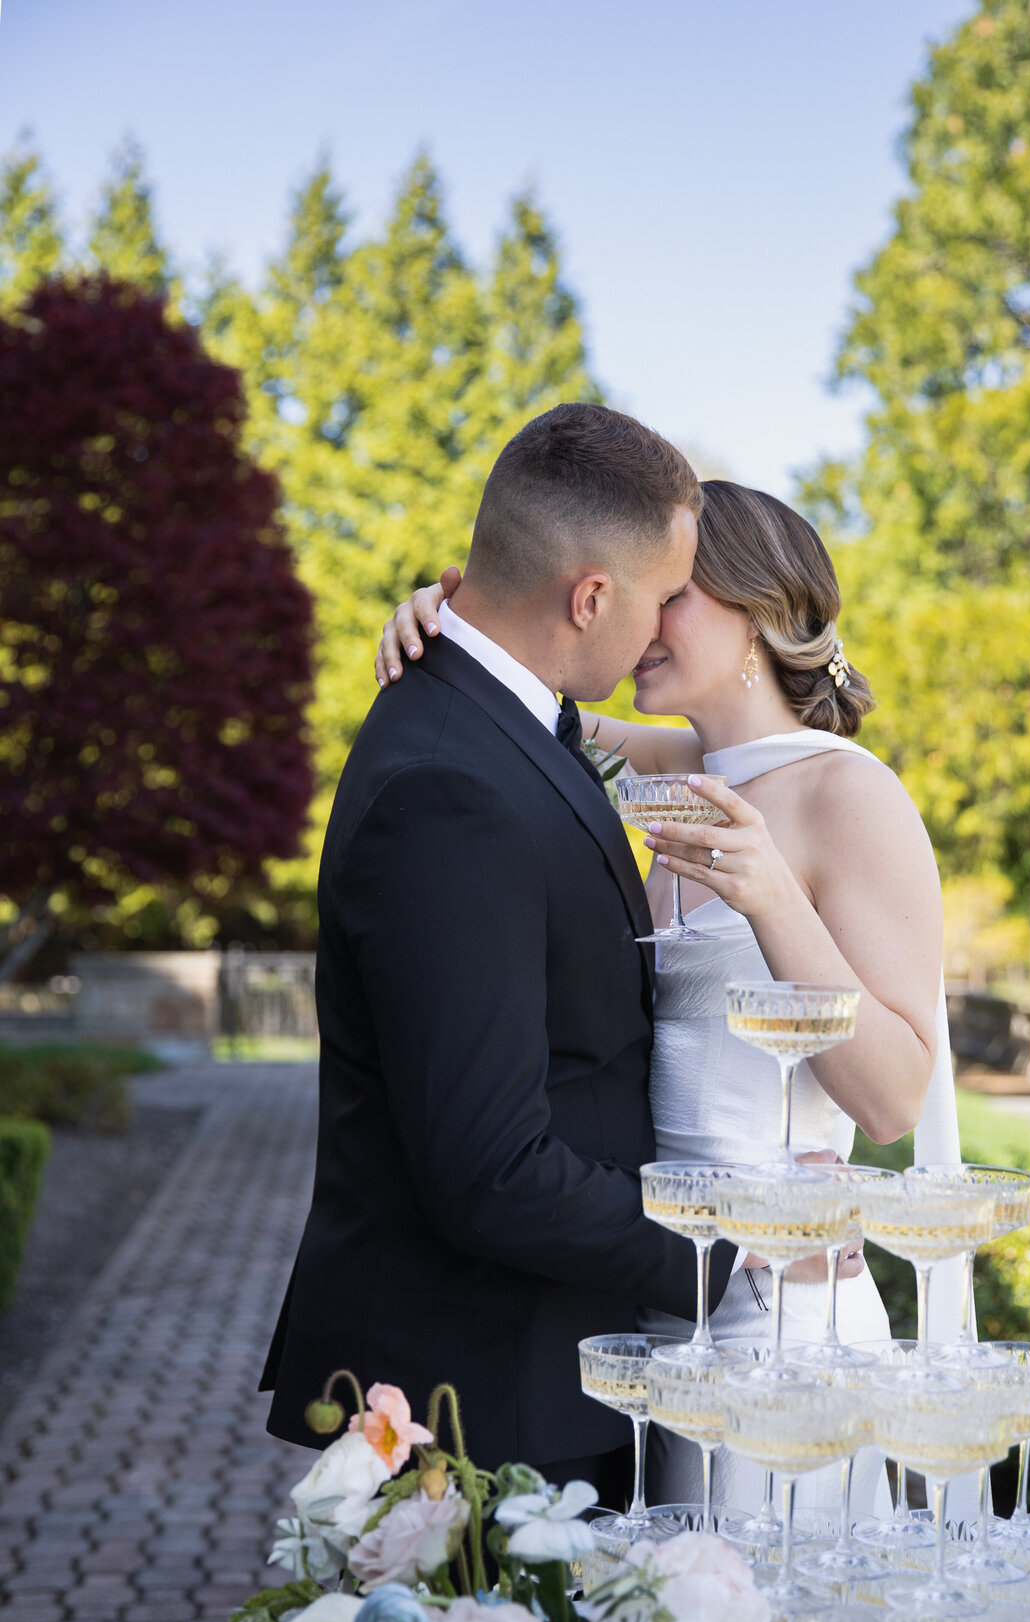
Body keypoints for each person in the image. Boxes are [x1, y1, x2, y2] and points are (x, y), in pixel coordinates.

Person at [378, 477, 963, 1521]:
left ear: (760, 615)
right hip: (653, 1304)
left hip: (782, 1320)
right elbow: (526, 701)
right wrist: (443, 615)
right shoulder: (681, 765)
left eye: (676, 594)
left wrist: (776, 898)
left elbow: (892, 1102)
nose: (643, 621)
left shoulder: (850, 793)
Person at [261, 403, 742, 1508]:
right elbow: (491, 1172)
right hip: (484, 1409)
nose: (670, 622)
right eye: (664, 596)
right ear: (589, 597)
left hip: (530, 1375)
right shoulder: (449, 786)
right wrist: (728, 1260)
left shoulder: (501, 717)